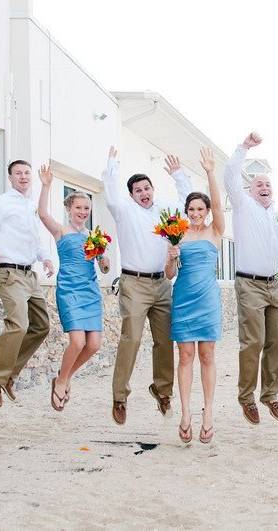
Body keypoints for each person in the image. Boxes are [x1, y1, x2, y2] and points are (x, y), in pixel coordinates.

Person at [102, 146, 192, 425]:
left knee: (165, 341)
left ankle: (162, 391)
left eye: (146, 188)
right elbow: (111, 193)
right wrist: (112, 165)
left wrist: (178, 174)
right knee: (132, 338)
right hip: (134, 283)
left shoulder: (166, 209)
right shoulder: (124, 210)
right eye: (138, 190)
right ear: (131, 195)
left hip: (163, 283)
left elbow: (187, 202)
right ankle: (120, 396)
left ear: (153, 189)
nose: (144, 193)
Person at [0, 159, 55, 408]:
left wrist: (47, 258)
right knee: (18, 325)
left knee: (41, 326)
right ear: (10, 178)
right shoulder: (0, 204)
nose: (24, 176)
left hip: (30, 276)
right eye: (18, 173)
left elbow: (35, 239)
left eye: (27, 173)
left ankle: (9, 375)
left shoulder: (30, 206)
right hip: (8, 274)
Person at [223, 132, 278, 425]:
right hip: (249, 283)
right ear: (250, 190)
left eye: (267, 184)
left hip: (274, 284)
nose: (264, 187)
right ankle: (246, 397)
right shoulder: (243, 205)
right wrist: (244, 148)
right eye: (258, 184)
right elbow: (229, 177)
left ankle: (270, 396)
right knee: (253, 342)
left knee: (276, 342)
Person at [37, 164, 110, 411]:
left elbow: (104, 267)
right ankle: (60, 382)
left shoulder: (93, 236)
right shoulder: (61, 231)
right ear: (69, 208)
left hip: (90, 291)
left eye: (86, 208)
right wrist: (46, 186)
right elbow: (43, 214)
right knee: (77, 342)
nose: (83, 211)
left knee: (94, 345)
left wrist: (105, 259)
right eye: (78, 207)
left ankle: (64, 376)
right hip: (69, 290)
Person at [167, 147, 223, 444]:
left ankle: (209, 413)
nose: (196, 214)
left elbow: (218, 204)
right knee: (185, 355)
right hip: (184, 298)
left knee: (207, 355)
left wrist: (211, 172)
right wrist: (172, 256)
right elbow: (168, 274)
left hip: (208, 299)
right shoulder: (177, 234)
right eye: (192, 210)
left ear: (207, 211)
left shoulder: (215, 231)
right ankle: (186, 412)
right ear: (186, 212)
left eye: (201, 209)